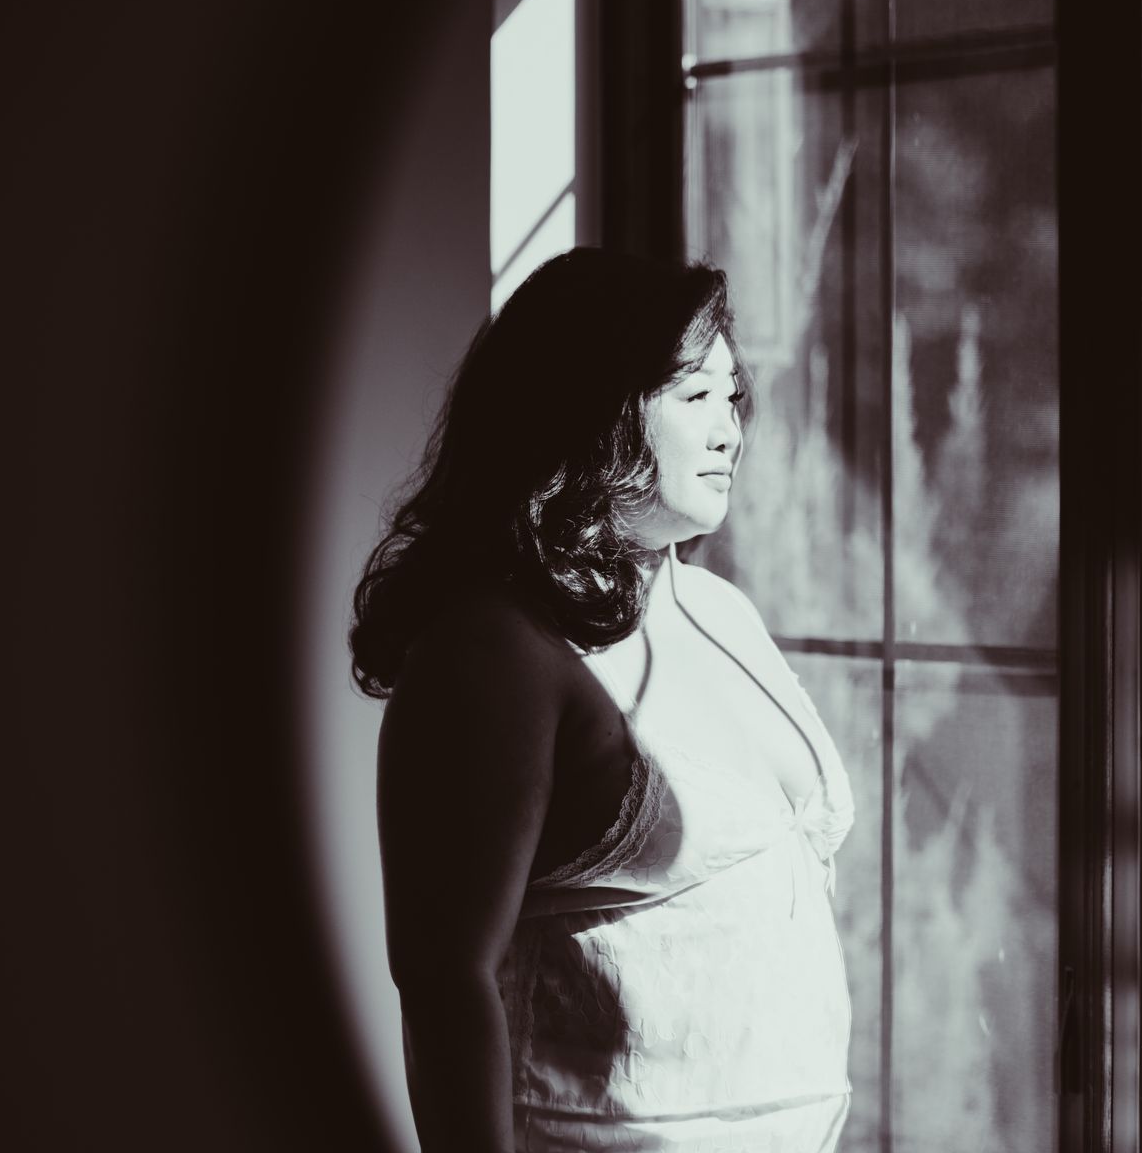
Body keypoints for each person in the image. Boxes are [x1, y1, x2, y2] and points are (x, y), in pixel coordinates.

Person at [350, 248, 855, 1153]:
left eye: (732, 396)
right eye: (694, 397)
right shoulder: (497, 652)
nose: (730, 430)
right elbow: (442, 979)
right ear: (595, 412)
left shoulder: (719, 610)